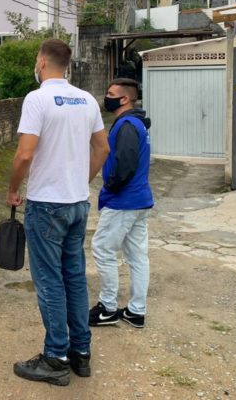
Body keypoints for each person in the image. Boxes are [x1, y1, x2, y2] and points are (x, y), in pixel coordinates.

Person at [6, 39, 109, 387]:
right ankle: (81, 353)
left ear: (42, 61)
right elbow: (102, 147)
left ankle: (55, 357)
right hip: (77, 202)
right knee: (75, 277)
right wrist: (83, 180)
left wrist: (12, 190)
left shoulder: (37, 99)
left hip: (47, 204)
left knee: (50, 281)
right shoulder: (86, 100)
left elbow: (24, 154)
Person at [89, 78, 154, 329]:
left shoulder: (126, 125)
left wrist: (111, 185)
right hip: (140, 200)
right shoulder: (138, 124)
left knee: (103, 249)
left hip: (124, 201)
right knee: (137, 256)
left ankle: (107, 308)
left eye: (110, 93)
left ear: (125, 98)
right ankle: (136, 311)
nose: (107, 97)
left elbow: (125, 163)